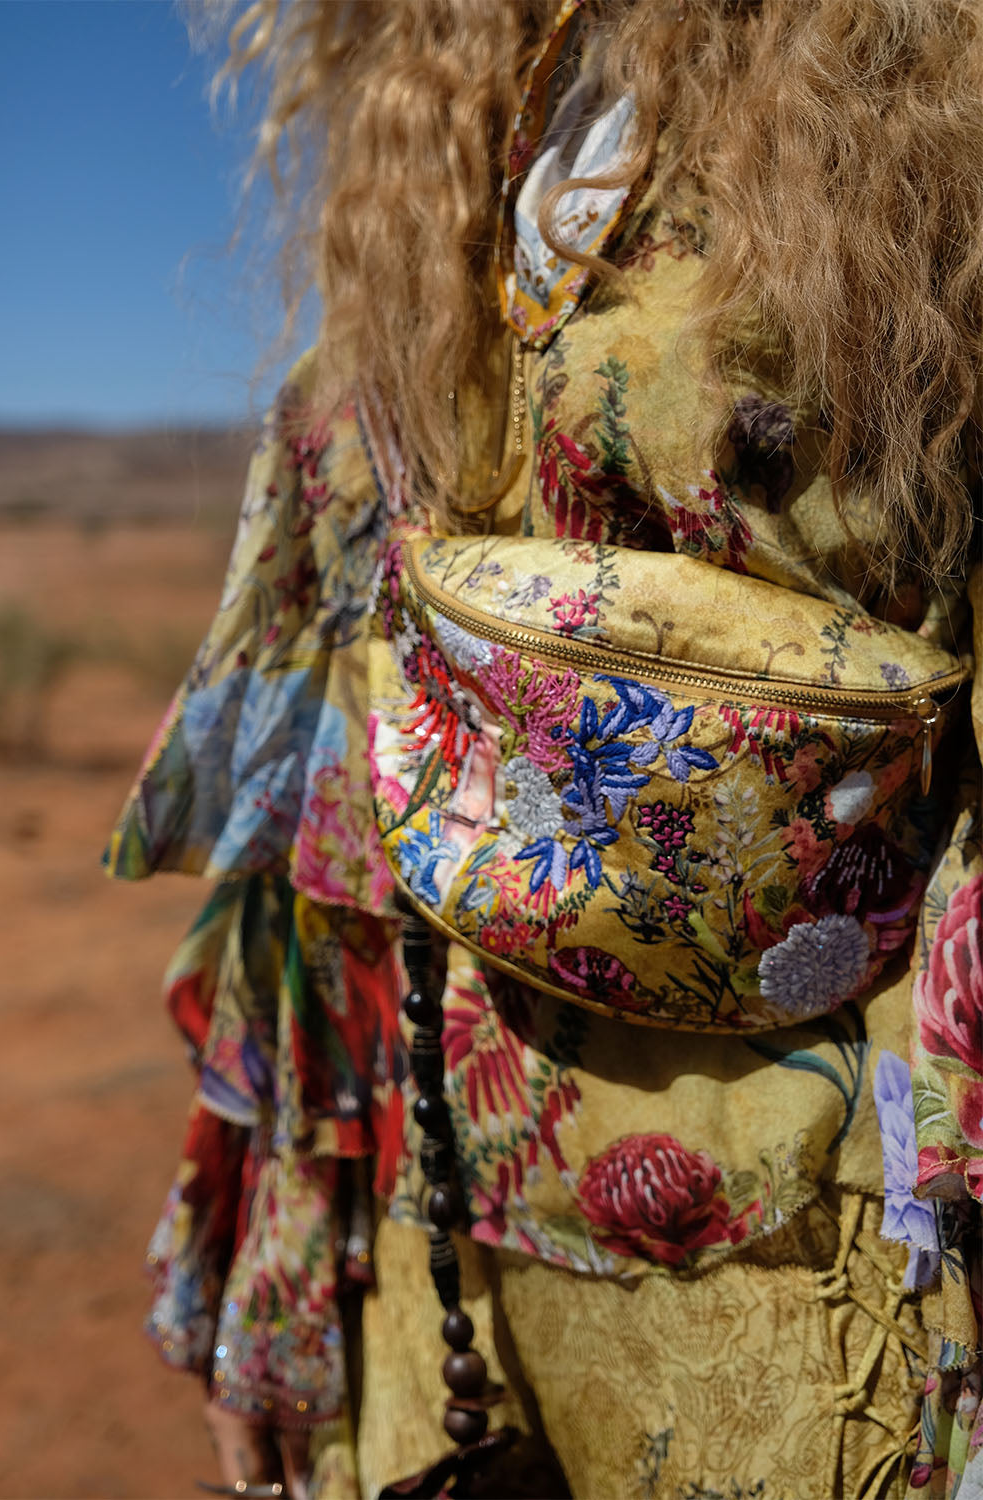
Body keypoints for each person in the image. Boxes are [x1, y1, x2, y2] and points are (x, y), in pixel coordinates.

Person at [106, 2, 983, 1496]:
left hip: (817, 1277)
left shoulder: (928, 68)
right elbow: (345, 689)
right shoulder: (436, 95)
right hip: (438, 1208)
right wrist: (281, 1234)